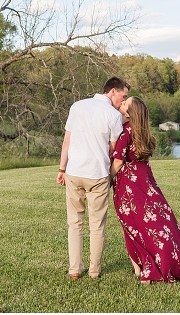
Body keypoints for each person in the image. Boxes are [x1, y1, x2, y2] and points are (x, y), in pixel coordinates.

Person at [110, 96, 180, 284]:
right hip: (147, 184)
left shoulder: (126, 132)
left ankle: (142, 267)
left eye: (125, 103)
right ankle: (152, 264)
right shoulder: (144, 133)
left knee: (132, 226)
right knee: (157, 222)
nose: (121, 104)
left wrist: (105, 180)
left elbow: (117, 162)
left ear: (129, 112)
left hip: (129, 186)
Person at [57, 77, 130, 279]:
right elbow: (113, 149)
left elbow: (67, 142)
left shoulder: (77, 106)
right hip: (97, 173)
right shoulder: (113, 116)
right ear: (113, 91)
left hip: (74, 170)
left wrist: (62, 168)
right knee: (97, 225)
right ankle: (94, 271)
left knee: (75, 223)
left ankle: (74, 269)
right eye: (123, 96)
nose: (122, 101)